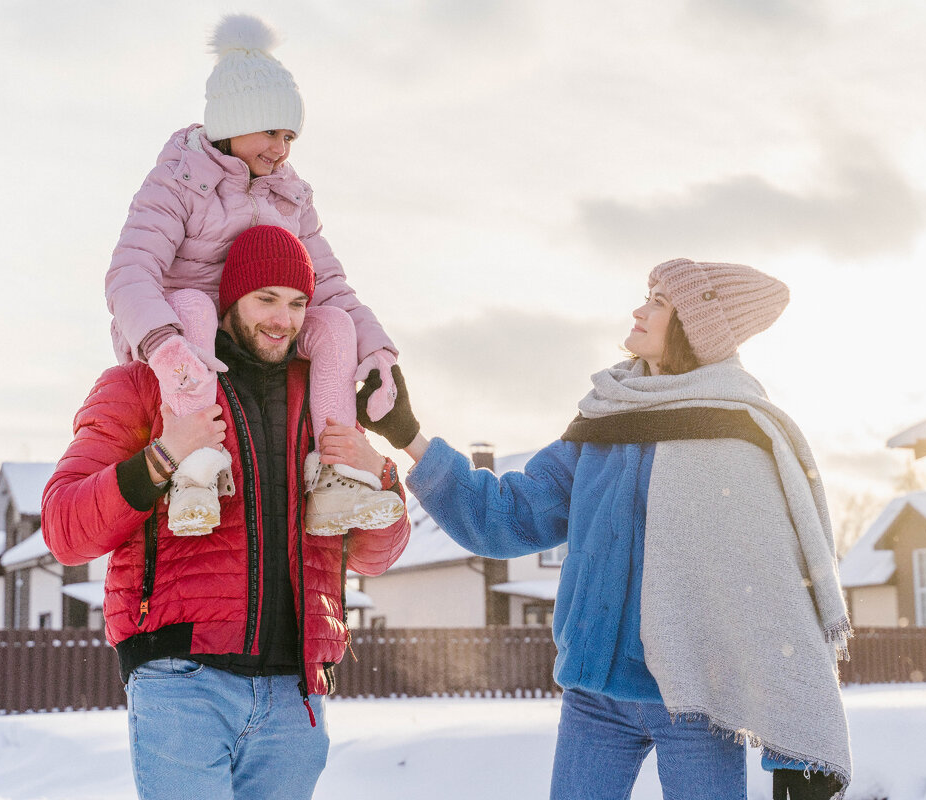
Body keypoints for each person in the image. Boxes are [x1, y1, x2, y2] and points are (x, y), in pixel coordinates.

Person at [359, 259, 852, 799]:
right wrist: (406, 433)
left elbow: (776, 595)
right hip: (594, 696)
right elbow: (505, 517)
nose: (640, 309)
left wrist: (800, 750)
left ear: (696, 326)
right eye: (648, 296)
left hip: (697, 700)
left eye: (659, 302)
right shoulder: (607, 420)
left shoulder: (736, 437)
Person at [42, 226, 411, 800]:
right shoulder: (145, 388)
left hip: (295, 695)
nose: (282, 320)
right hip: (182, 683)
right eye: (265, 298)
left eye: (296, 304)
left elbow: (372, 555)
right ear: (228, 299)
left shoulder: (324, 398)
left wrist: (381, 475)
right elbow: (64, 528)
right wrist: (164, 457)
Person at [105, 13, 401, 538]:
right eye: (269, 130)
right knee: (195, 305)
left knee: (333, 323)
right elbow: (130, 271)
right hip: (181, 332)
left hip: (260, 320)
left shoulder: (289, 194)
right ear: (229, 121)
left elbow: (329, 282)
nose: (281, 148)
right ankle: (196, 468)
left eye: (289, 135)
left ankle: (335, 475)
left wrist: (378, 354)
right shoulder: (178, 181)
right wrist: (163, 343)